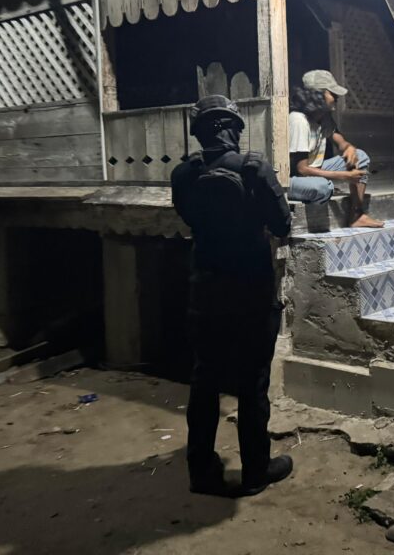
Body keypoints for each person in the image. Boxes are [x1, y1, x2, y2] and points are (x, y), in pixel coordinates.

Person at [171, 95, 294, 497]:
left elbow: (188, 218)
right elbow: (283, 225)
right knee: (252, 382)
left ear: (198, 133)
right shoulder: (254, 168)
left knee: (204, 380)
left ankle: (201, 472)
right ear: (235, 129)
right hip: (251, 293)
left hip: (205, 292)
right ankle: (256, 470)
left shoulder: (183, 175)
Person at [286, 69, 383, 228]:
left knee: (360, 156)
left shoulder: (323, 117)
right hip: (292, 180)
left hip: (315, 171)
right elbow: (301, 169)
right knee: (323, 187)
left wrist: (349, 148)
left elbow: (341, 142)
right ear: (317, 95)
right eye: (332, 94)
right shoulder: (298, 120)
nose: (337, 98)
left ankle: (357, 215)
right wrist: (344, 176)